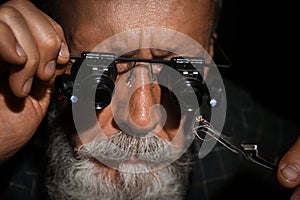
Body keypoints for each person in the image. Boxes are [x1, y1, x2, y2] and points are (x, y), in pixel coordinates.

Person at [0, 0, 299, 200]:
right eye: (102, 70)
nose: (142, 118)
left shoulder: (247, 137)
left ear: (207, 59)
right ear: (51, 56)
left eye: (178, 70)